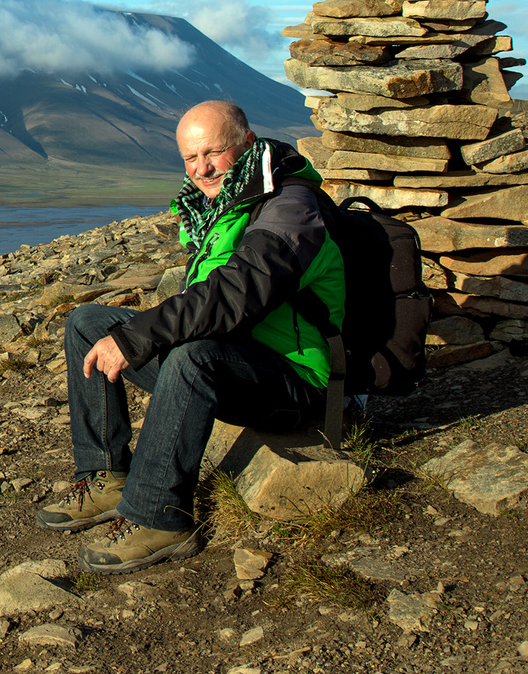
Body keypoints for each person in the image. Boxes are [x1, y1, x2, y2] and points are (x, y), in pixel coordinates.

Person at [35, 100, 346, 574]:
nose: (202, 169)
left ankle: (160, 516)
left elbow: (235, 294)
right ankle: (107, 475)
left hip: (298, 379)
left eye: (213, 153)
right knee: (88, 324)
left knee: (192, 355)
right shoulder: (220, 206)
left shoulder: (290, 207)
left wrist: (139, 338)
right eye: (190, 158)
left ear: (245, 144)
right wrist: (135, 335)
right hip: (237, 361)